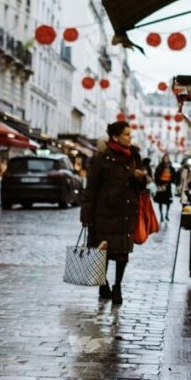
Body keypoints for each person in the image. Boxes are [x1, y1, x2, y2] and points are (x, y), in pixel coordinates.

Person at [81, 121, 148, 305]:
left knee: (122, 253)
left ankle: (117, 286)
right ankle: (103, 284)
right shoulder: (100, 159)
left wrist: (141, 179)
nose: (130, 138)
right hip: (104, 212)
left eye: (130, 134)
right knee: (102, 252)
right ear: (115, 137)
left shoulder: (134, 156)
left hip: (126, 212)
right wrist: (86, 216)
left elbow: (141, 187)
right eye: (126, 134)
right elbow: (91, 189)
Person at [153, 154, 175, 222]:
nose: (166, 159)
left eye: (167, 158)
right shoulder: (159, 166)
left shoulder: (171, 167)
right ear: (163, 158)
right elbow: (156, 175)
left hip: (168, 186)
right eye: (165, 158)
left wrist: (171, 180)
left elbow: (173, 175)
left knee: (168, 201)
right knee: (160, 201)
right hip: (161, 185)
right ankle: (161, 215)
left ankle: (166, 214)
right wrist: (158, 183)